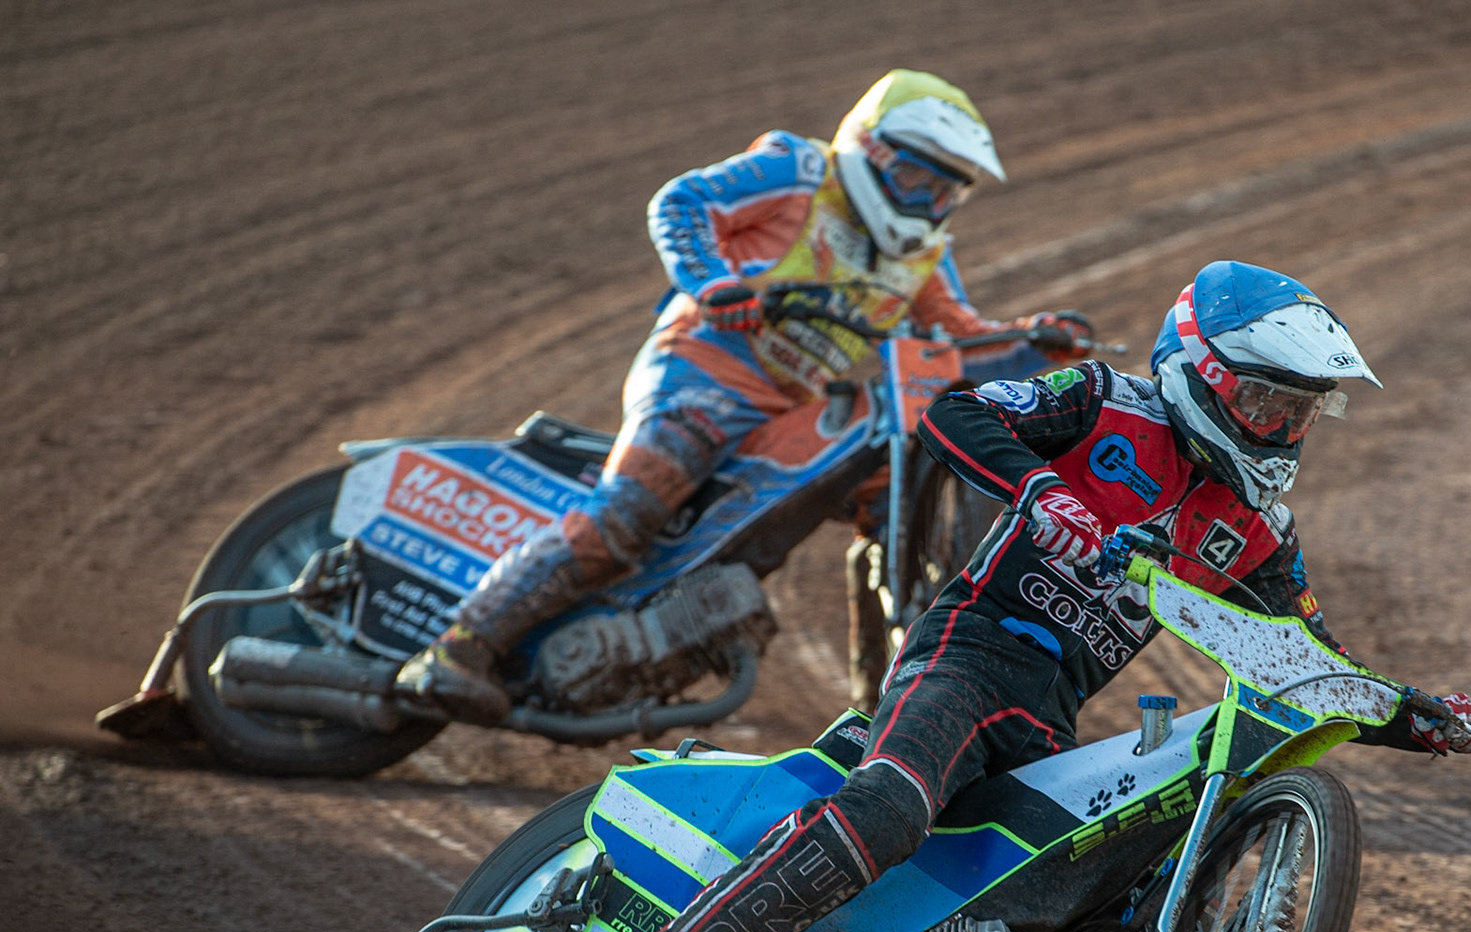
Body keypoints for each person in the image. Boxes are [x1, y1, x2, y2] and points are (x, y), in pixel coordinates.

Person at [600, 260, 1471, 932]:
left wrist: (1422, 717)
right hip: (967, 655)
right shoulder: (1106, 401)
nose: (1282, 427)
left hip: (1046, 719)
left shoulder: (1260, 532)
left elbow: (1307, 661)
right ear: (1202, 375)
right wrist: (1041, 492)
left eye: (1299, 411)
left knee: (1128, 910)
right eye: (1266, 402)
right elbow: (954, 414)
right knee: (891, 807)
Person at [396, 70, 1091, 721]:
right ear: (870, 149)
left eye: (945, 192)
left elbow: (959, 339)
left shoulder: (925, 256)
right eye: (915, 177)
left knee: (886, 499)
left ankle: (880, 711)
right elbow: (684, 201)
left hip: (789, 408)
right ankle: (460, 646)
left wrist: (1039, 341)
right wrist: (713, 282)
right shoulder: (799, 171)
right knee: (629, 512)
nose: (926, 203)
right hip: (703, 370)